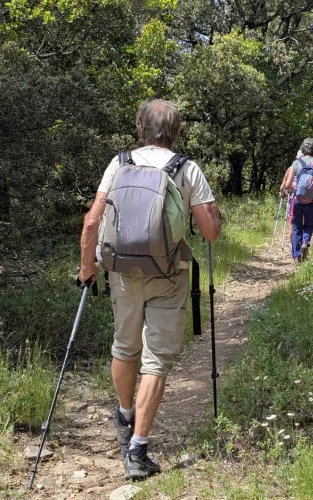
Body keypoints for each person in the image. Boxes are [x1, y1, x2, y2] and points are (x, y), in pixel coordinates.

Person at [79, 99, 221, 479]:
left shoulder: (119, 163)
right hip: (168, 275)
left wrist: (87, 267)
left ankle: (125, 413)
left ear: (140, 129)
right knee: (156, 360)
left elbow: (92, 222)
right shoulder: (187, 169)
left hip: (122, 274)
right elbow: (210, 232)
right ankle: (138, 451)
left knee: (125, 347)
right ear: (176, 132)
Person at [279, 138, 313, 263]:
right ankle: (305, 241)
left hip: (296, 200)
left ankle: (296, 256)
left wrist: (290, 190)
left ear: (303, 148)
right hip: (311, 201)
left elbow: (288, 185)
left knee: (296, 227)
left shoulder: (296, 163)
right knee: (309, 225)